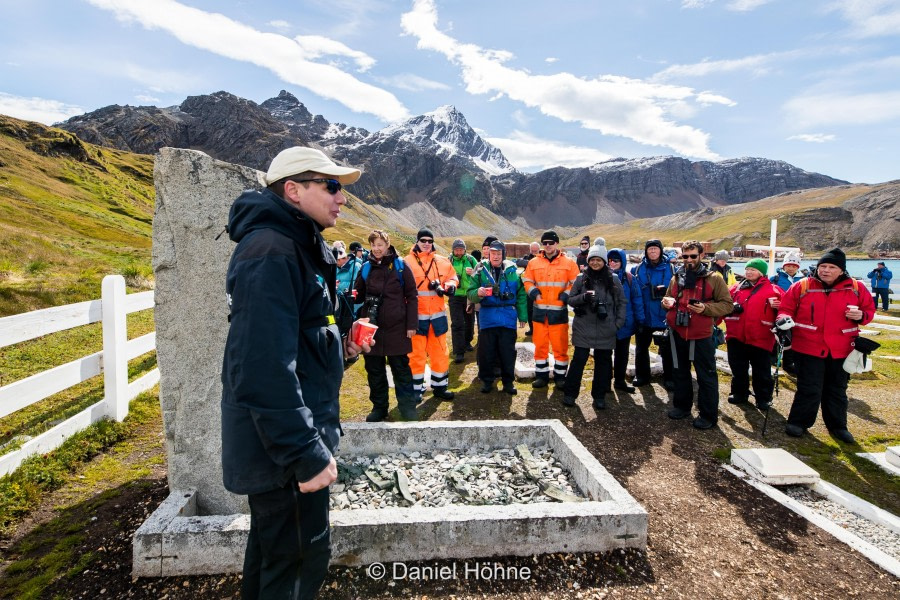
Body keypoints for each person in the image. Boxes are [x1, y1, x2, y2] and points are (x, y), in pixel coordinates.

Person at [221, 146, 366, 599]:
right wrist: (306, 453)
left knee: (275, 557)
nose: (342, 198)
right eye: (332, 186)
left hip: (288, 441)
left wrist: (345, 343)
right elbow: (261, 368)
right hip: (284, 453)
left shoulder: (295, 245)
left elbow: (301, 336)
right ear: (293, 190)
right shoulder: (272, 251)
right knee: (300, 561)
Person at [778, 248, 876, 443]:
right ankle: (799, 422)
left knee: (837, 389)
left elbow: (869, 311)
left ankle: (838, 426)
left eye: (832, 267)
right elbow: (785, 308)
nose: (826, 270)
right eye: (823, 266)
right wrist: (784, 319)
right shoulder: (803, 285)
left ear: (841, 270)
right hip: (808, 347)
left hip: (842, 349)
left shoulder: (857, 287)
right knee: (809, 387)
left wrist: (862, 316)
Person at [661, 240, 734, 430]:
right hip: (678, 332)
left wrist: (705, 308)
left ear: (702, 256)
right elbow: (668, 298)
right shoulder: (676, 278)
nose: (689, 260)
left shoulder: (714, 278)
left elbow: (727, 305)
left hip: (702, 335)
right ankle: (682, 406)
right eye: (685, 256)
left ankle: (708, 415)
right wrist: (666, 303)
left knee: (706, 376)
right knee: (680, 372)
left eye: (693, 256)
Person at [355, 229, 418, 422]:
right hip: (371, 329)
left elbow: (412, 296)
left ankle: (407, 408)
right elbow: (357, 294)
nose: (376, 249)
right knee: (374, 370)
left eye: (380, 245)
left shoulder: (401, 267)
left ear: (388, 245)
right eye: (373, 245)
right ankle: (379, 408)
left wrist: (411, 324)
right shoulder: (366, 268)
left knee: (401, 369)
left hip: (397, 327)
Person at [563, 239, 627, 409]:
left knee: (603, 363)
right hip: (584, 327)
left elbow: (622, 303)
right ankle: (570, 394)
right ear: (588, 261)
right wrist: (583, 298)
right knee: (578, 361)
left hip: (607, 328)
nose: (595, 263)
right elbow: (570, 300)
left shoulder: (613, 280)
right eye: (592, 260)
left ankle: (599, 396)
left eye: (599, 260)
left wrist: (617, 324)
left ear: (604, 261)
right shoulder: (581, 279)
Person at [405, 228, 459, 400]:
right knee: (415, 354)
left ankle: (440, 387)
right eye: (423, 241)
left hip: (437, 317)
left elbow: (453, 277)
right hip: (416, 318)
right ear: (417, 242)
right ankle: (415, 390)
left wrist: (450, 286)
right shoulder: (406, 262)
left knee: (440, 353)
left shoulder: (443, 261)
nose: (427, 244)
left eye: (430, 241)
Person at [522, 230, 581, 388]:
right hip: (539, 312)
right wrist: (533, 292)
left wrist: (566, 295)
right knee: (540, 345)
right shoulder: (533, 262)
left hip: (559, 312)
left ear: (557, 244)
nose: (548, 246)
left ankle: (560, 377)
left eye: (551, 243)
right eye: (545, 243)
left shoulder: (569, 263)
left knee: (560, 346)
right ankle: (541, 376)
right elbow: (527, 280)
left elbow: (576, 282)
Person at [468, 240, 528, 394]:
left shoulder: (513, 271)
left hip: (508, 317)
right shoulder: (480, 270)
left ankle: (508, 383)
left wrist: (522, 316)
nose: (495, 256)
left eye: (498, 253)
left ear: (503, 255)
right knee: (486, 352)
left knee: (507, 352)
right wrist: (478, 293)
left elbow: (521, 294)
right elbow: (470, 292)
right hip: (487, 316)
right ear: (488, 254)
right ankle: (487, 381)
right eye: (493, 253)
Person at [723, 259, 781, 411]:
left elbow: (787, 309)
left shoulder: (773, 290)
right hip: (736, 335)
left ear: (761, 273)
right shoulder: (735, 288)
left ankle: (763, 398)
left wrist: (779, 307)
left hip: (761, 337)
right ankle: (739, 393)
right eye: (747, 269)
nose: (749, 272)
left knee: (762, 370)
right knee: (738, 367)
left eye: (753, 270)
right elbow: (723, 305)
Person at [631, 239, 676, 389]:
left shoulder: (672, 269)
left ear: (661, 251)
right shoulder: (637, 269)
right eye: (650, 249)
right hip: (644, 315)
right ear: (646, 252)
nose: (652, 252)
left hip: (665, 316)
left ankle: (670, 377)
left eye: (655, 249)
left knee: (668, 349)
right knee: (641, 348)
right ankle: (642, 375)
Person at [608, 248, 646, 393]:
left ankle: (619, 381)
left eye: (616, 260)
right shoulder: (602, 277)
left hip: (625, 323)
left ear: (622, 262)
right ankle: (605, 383)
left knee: (622, 354)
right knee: (605, 355)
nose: (613, 263)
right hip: (607, 324)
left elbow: (637, 300)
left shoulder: (630, 279)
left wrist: (640, 320)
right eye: (610, 260)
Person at [448, 239, 478, 362]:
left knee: (469, 321)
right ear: (453, 250)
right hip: (454, 295)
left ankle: (467, 342)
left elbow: (480, 274)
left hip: (469, 295)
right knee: (457, 323)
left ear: (465, 250)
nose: (459, 252)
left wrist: (473, 273)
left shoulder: (471, 260)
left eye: (461, 249)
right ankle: (459, 352)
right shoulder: (448, 261)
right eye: (457, 249)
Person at [516, 241, 542, 335]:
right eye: (532, 250)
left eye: (536, 251)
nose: (534, 252)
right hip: (529, 289)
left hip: (540, 290)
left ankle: (539, 329)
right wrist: (531, 262)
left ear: (539, 250)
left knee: (539, 311)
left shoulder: (543, 258)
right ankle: (532, 329)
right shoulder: (527, 258)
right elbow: (518, 262)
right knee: (529, 310)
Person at [334, 241, 363, 314]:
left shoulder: (356, 266)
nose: (335, 263)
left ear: (341, 259)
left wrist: (338, 284)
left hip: (352, 306)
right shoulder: (337, 266)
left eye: (336, 261)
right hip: (341, 302)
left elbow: (357, 285)